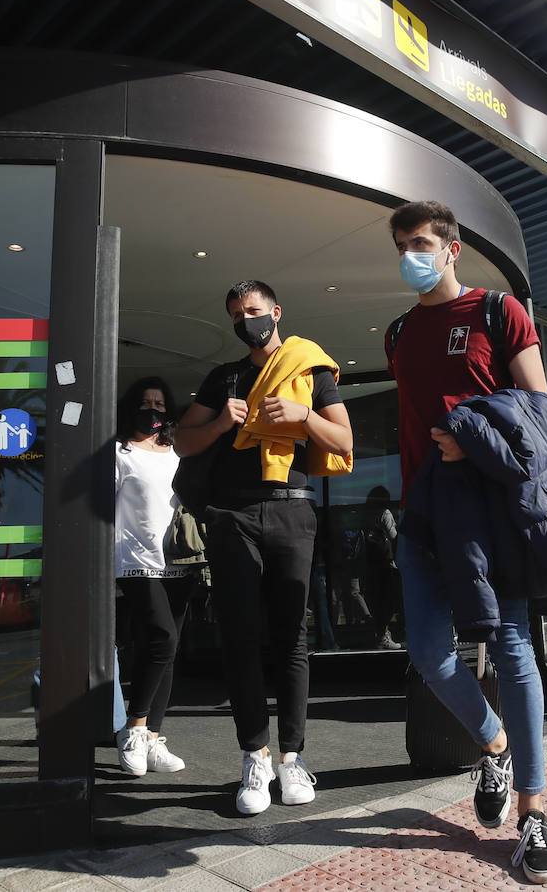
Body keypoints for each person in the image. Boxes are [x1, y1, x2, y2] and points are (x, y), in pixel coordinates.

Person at [386, 200, 547, 884]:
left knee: (514, 648)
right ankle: (494, 741)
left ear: (452, 249)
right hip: (423, 514)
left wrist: (473, 439)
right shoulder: (399, 331)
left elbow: (542, 414)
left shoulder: (499, 312)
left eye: (422, 243)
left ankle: (534, 810)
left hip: (491, 512)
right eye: (402, 244)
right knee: (430, 654)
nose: (411, 254)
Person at [175, 280, 353, 815]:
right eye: (235, 314)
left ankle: (291, 758)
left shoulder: (309, 368)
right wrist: (219, 424)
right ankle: (254, 756)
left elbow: (343, 440)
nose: (244, 320)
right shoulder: (222, 377)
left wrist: (303, 418)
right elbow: (182, 442)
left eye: (252, 311)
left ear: (275, 312)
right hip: (232, 513)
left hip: (292, 507)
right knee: (241, 637)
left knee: (291, 637)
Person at [112, 376, 188, 777]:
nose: (154, 409)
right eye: (146, 403)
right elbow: (101, 510)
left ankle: (154, 736)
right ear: (132, 407)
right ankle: (134, 729)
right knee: (163, 638)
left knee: (166, 651)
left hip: (180, 559)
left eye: (160, 403)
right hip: (135, 560)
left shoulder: (178, 450)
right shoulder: (120, 452)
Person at [362, 485, 402, 649]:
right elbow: (393, 536)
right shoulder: (385, 513)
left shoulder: (365, 513)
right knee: (389, 599)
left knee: (378, 601)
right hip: (386, 562)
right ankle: (384, 636)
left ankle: (380, 635)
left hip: (371, 563)